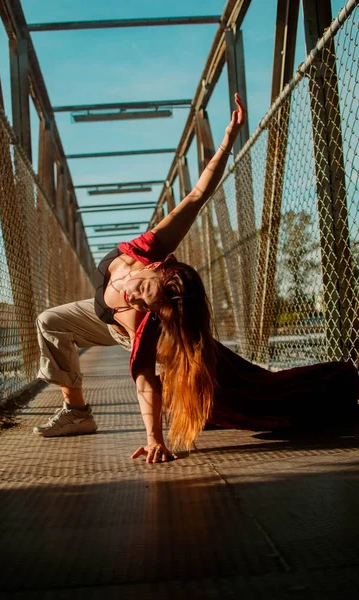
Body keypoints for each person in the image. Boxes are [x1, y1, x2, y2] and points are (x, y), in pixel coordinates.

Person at [34, 93, 359, 463]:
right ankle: (77, 413)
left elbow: (144, 379)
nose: (133, 299)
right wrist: (227, 140)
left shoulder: (141, 320)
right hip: (97, 316)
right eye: (142, 291)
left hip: (123, 333)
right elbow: (198, 194)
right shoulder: (150, 246)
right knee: (50, 321)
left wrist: (154, 438)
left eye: (144, 303)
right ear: (154, 266)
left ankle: (332, 389)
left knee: (242, 396)